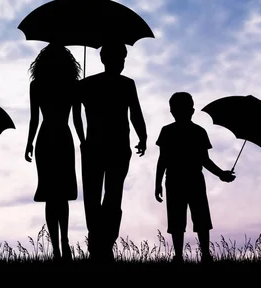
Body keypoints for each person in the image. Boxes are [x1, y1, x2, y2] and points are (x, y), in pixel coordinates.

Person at [73, 43, 147, 262]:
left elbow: (76, 116)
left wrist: (82, 140)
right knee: (110, 197)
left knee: (97, 198)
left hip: (98, 147)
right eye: (120, 59)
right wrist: (142, 136)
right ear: (108, 60)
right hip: (111, 147)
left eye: (123, 59)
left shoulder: (87, 84)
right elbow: (135, 114)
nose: (121, 64)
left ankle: (100, 245)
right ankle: (102, 245)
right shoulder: (125, 84)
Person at [154, 92, 235, 264]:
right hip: (190, 179)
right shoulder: (197, 131)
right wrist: (221, 174)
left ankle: (181, 257)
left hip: (178, 180)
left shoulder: (169, 131)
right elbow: (204, 160)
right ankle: (202, 255)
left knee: (188, 219)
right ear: (191, 110)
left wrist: (158, 183)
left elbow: (163, 160)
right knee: (197, 219)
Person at [24, 43, 82, 262]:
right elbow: (76, 119)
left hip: (45, 137)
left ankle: (58, 246)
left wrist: (29, 143)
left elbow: (34, 119)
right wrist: (83, 141)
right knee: (60, 195)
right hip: (63, 137)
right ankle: (64, 243)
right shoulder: (72, 84)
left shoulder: (37, 85)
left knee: (52, 195)